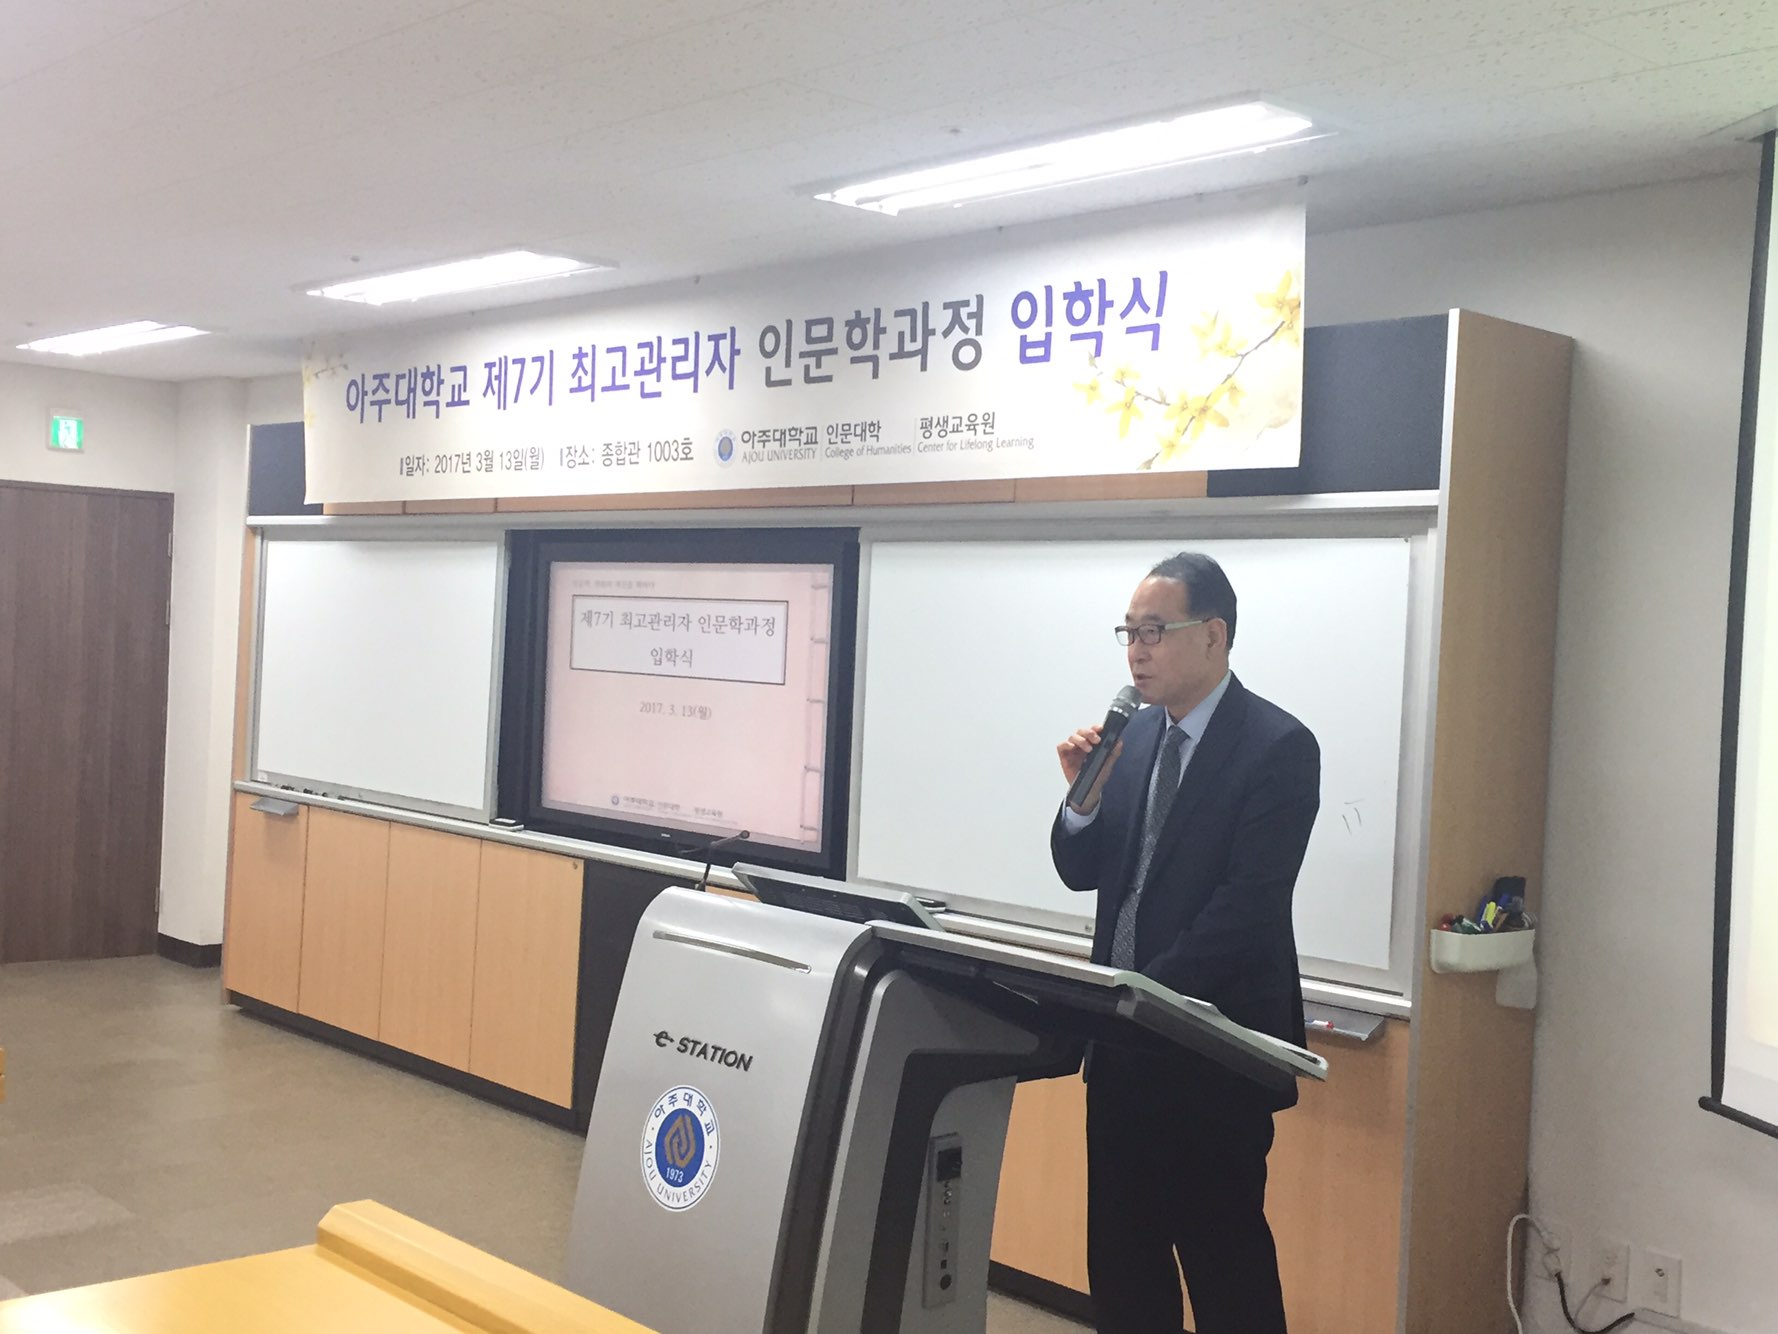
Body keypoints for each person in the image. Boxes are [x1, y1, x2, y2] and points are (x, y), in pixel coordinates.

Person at [1051, 552, 1320, 1334]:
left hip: (1212, 1055)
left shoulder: (1277, 746)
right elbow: (1079, 870)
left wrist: (1142, 1001)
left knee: (1225, 1266)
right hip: (1123, 1054)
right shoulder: (1131, 740)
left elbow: (1248, 908)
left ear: (1213, 635)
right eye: (1128, 633)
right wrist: (1082, 798)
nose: (1136, 651)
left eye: (1154, 632)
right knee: (1123, 1261)